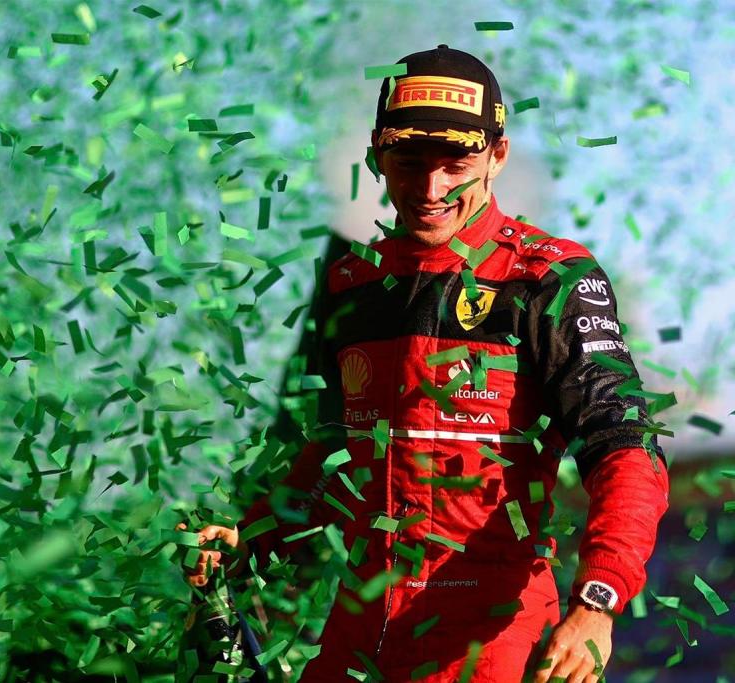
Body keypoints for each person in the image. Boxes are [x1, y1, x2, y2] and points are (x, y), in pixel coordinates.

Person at [181, 45, 670, 683]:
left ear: (498, 155)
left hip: (492, 635)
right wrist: (253, 537)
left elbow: (626, 449)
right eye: (408, 162)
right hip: (361, 632)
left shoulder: (548, 276)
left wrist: (598, 599)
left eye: (456, 163)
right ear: (376, 156)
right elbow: (335, 454)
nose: (430, 189)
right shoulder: (353, 280)